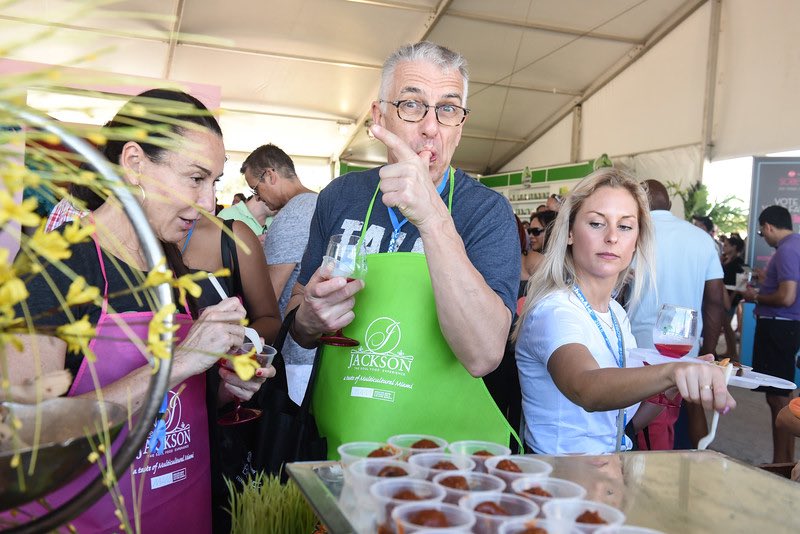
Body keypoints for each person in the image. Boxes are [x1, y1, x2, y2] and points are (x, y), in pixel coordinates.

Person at [3, 89, 273, 532]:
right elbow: (24, 435)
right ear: (133, 163)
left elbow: (177, 404)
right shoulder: (53, 267)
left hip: (186, 512)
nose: (209, 203)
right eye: (195, 178)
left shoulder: (173, 267)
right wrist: (177, 363)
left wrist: (225, 389)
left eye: (215, 182)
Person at [287, 41, 520, 456]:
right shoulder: (340, 196)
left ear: (460, 126)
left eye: (447, 109)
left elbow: (484, 354)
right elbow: (299, 316)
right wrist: (307, 320)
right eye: (412, 105)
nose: (431, 127)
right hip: (338, 445)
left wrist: (433, 218)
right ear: (379, 117)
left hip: (444, 460)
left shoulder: (487, 213)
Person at [514, 168, 735, 455]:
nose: (612, 237)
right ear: (569, 233)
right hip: (560, 476)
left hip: (609, 470)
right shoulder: (554, 310)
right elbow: (587, 389)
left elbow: (622, 426)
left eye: (625, 226)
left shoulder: (617, 314)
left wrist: (671, 388)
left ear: (637, 241)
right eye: (596, 223)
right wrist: (672, 371)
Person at [627, 179, 725, 450]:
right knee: (693, 406)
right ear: (670, 204)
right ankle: (699, 462)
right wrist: (708, 351)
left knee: (646, 421)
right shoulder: (701, 238)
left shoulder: (633, 235)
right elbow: (715, 299)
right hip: (686, 344)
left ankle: (648, 470)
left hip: (640, 347)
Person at [240, 143, 318, 404]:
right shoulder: (320, 203)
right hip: (314, 349)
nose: (258, 198)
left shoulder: (293, 214)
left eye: (256, 189)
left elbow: (269, 295)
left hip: (293, 355)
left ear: (270, 175)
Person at [741, 205, 800, 464]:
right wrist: (768, 280)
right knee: (780, 396)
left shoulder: (786, 250)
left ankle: (781, 463)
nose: (763, 236)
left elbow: (787, 297)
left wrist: (756, 296)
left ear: (768, 227)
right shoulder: (794, 246)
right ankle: (783, 460)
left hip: (778, 327)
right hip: (784, 327)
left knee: (778, 397)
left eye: (762, 232)